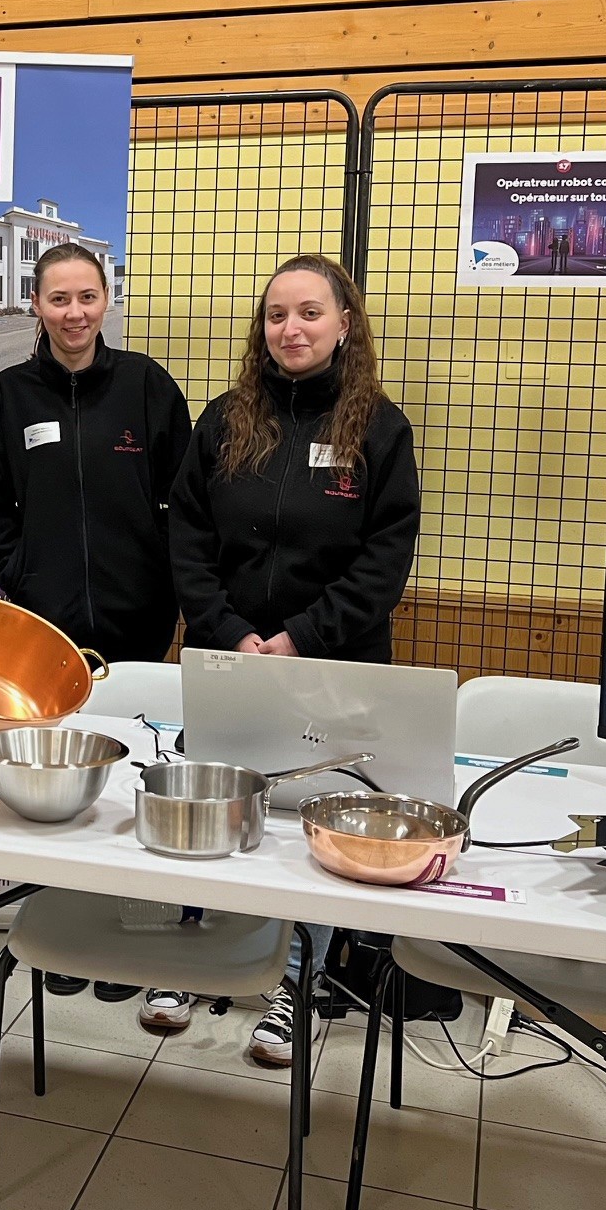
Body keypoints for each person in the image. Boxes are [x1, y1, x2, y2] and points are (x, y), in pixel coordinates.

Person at [154, 253, 420, 1064]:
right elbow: (188, 541)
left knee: (316, 827)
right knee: (207, 814)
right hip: (227, 658)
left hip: (332, 666)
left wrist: (300, 639)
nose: (291, 329)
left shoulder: (378, 428)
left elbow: (383, 560)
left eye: (309, 313)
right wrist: (233, 633)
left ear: (346, 324)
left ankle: (294, 986)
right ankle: (188, 962)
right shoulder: (225, 419)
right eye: (276, 315)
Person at [0, 243, 190, 1002]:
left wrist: (164, 586)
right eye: (58, 299)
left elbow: (183, 506)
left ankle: (133, 934)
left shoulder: (147, 389)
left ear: (107, 301)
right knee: (56, 780)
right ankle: (64, 930)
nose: (74, 313)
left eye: (87, 297)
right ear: (36, 305)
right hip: (47, 628)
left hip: (138, 622)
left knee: (134, 778)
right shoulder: (8, 397)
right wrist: (23, 575)